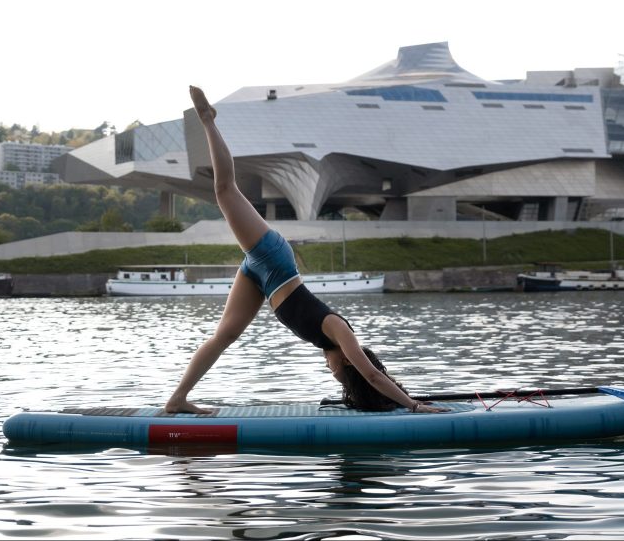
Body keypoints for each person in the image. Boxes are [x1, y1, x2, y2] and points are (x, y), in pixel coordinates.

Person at [163, 86, 443, 415]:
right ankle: (208, 120)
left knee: (224, 336)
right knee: (225, 191)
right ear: (349, 363)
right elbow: (369, 372)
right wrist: (412, 406)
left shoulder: (329, 342)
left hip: (262, 279)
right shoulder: (340, 332)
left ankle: (177, 399)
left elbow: (364, 376)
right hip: (274, 260)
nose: (333, 373)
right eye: (341, 375)